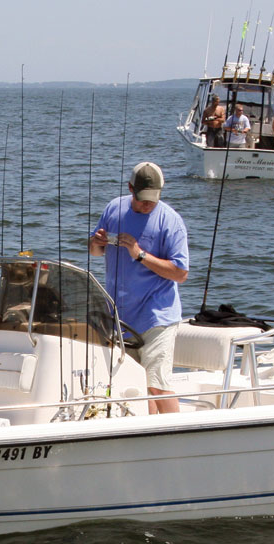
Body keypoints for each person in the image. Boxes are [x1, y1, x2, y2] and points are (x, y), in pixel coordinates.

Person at [88, 162, 189, 414]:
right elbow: (94, 251)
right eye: (143, 199)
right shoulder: (114, 208)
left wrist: (139, 253)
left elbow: (180, 273)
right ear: (130, 189)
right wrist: (97, 241)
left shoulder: (170, 221)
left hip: (157, 316)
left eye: (153, 199)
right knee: (134, 387)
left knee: (157, 385)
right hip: (120, 317)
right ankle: (151, 438)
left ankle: (178, 436)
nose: (148, 205)